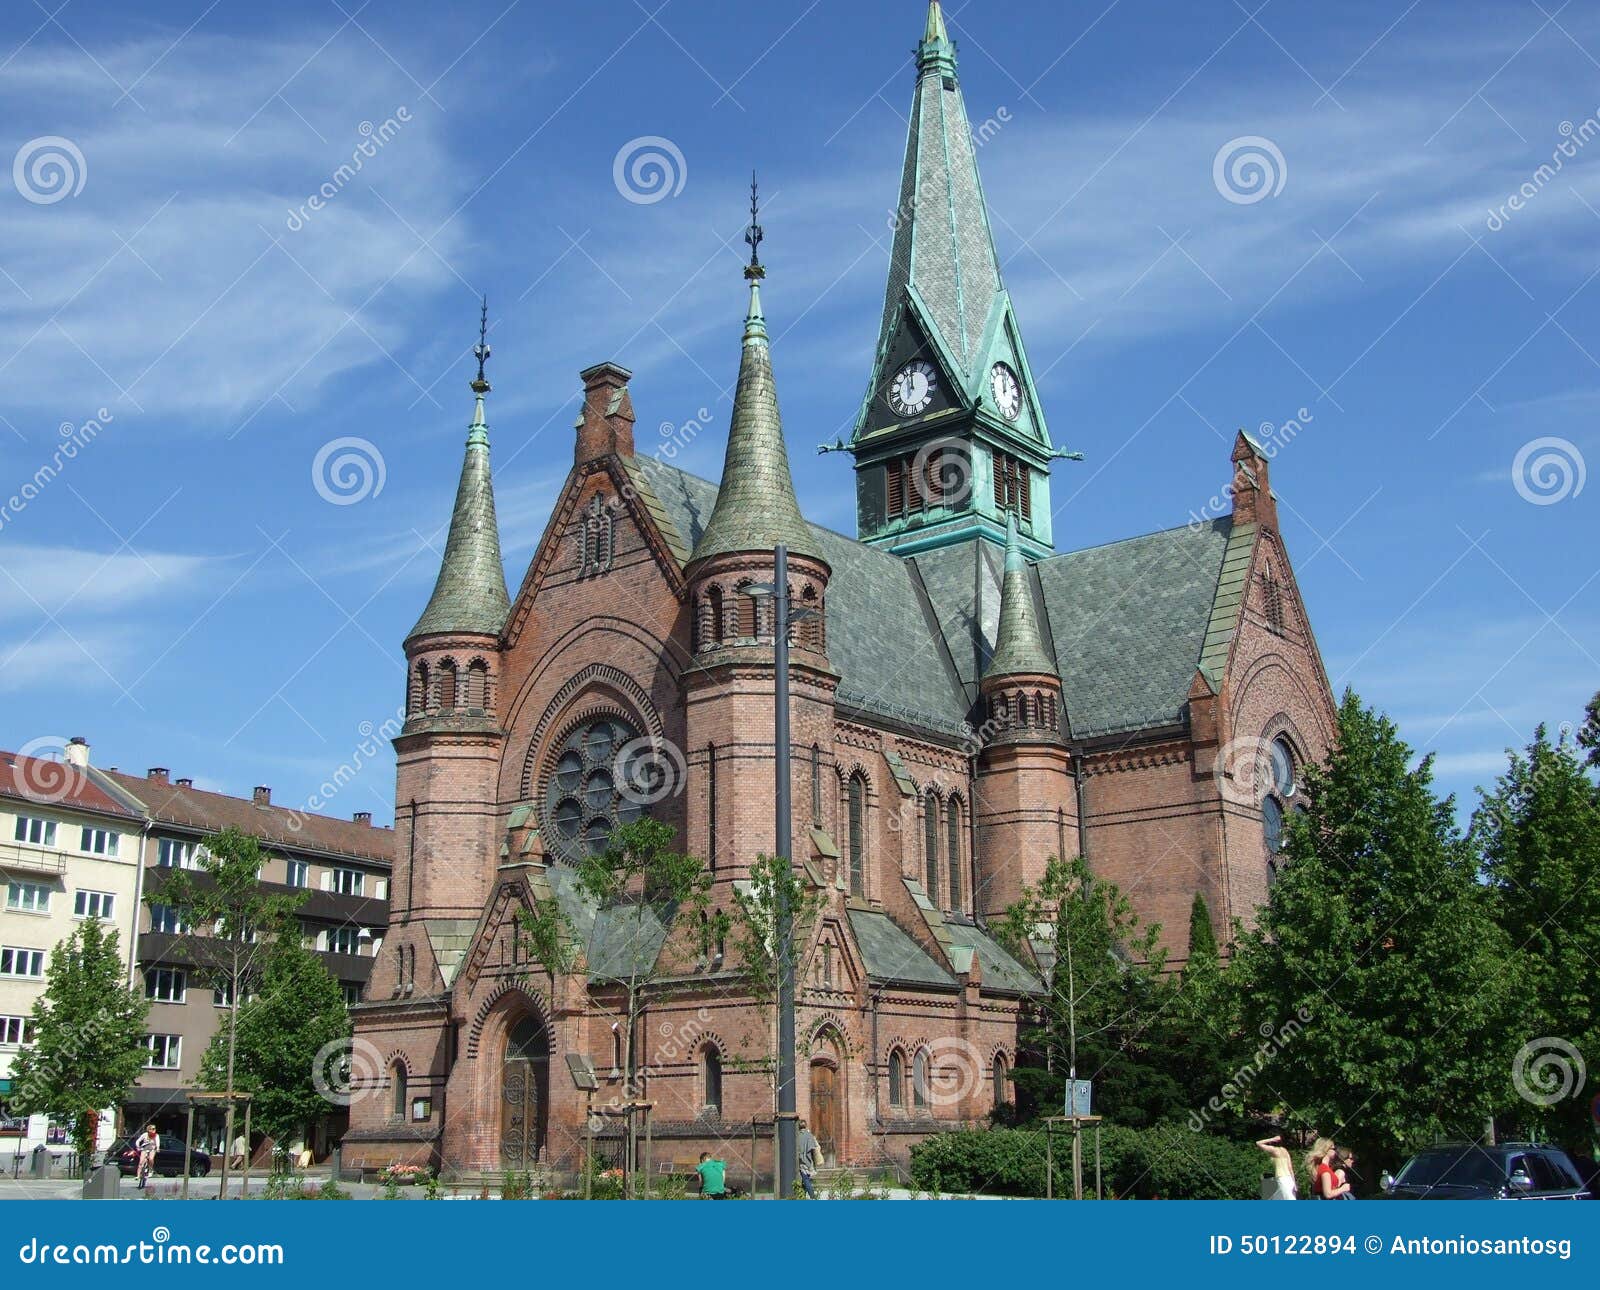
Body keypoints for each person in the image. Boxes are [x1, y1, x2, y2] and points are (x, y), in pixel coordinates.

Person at [1255, 1134, 1297, 1199]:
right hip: (1289, 1178)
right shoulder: (1285, 1151)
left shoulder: (1274, 1150)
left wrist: (1272, 1139)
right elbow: (1290, 1168)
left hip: (1281, 1177)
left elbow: (1258, 1143)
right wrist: (1294, 1183)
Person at [796, 1118, 822, 1199]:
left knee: (805, 1180)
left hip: (801, 1161)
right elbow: (814, 1147)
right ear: (806, 1126)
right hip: (809, 1161)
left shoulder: (797, 1136)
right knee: (806, 1180)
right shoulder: (810, 1136)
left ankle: (811, 1197)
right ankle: (807, 1196)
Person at [135, 1124, 159, 1190]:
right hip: (144, 1148)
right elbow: (138, 1141)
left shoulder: (156, 1136)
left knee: (151, 1159)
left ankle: (150, 1170)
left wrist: (157, 1148)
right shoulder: (145, 1135)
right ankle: (138, 1175)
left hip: (152, 1148)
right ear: (149, 1130)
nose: (154, 1130)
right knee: (141, 1162)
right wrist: (137, 1146)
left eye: (154, 1129)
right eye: (152, 1129)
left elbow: (157, 1142)